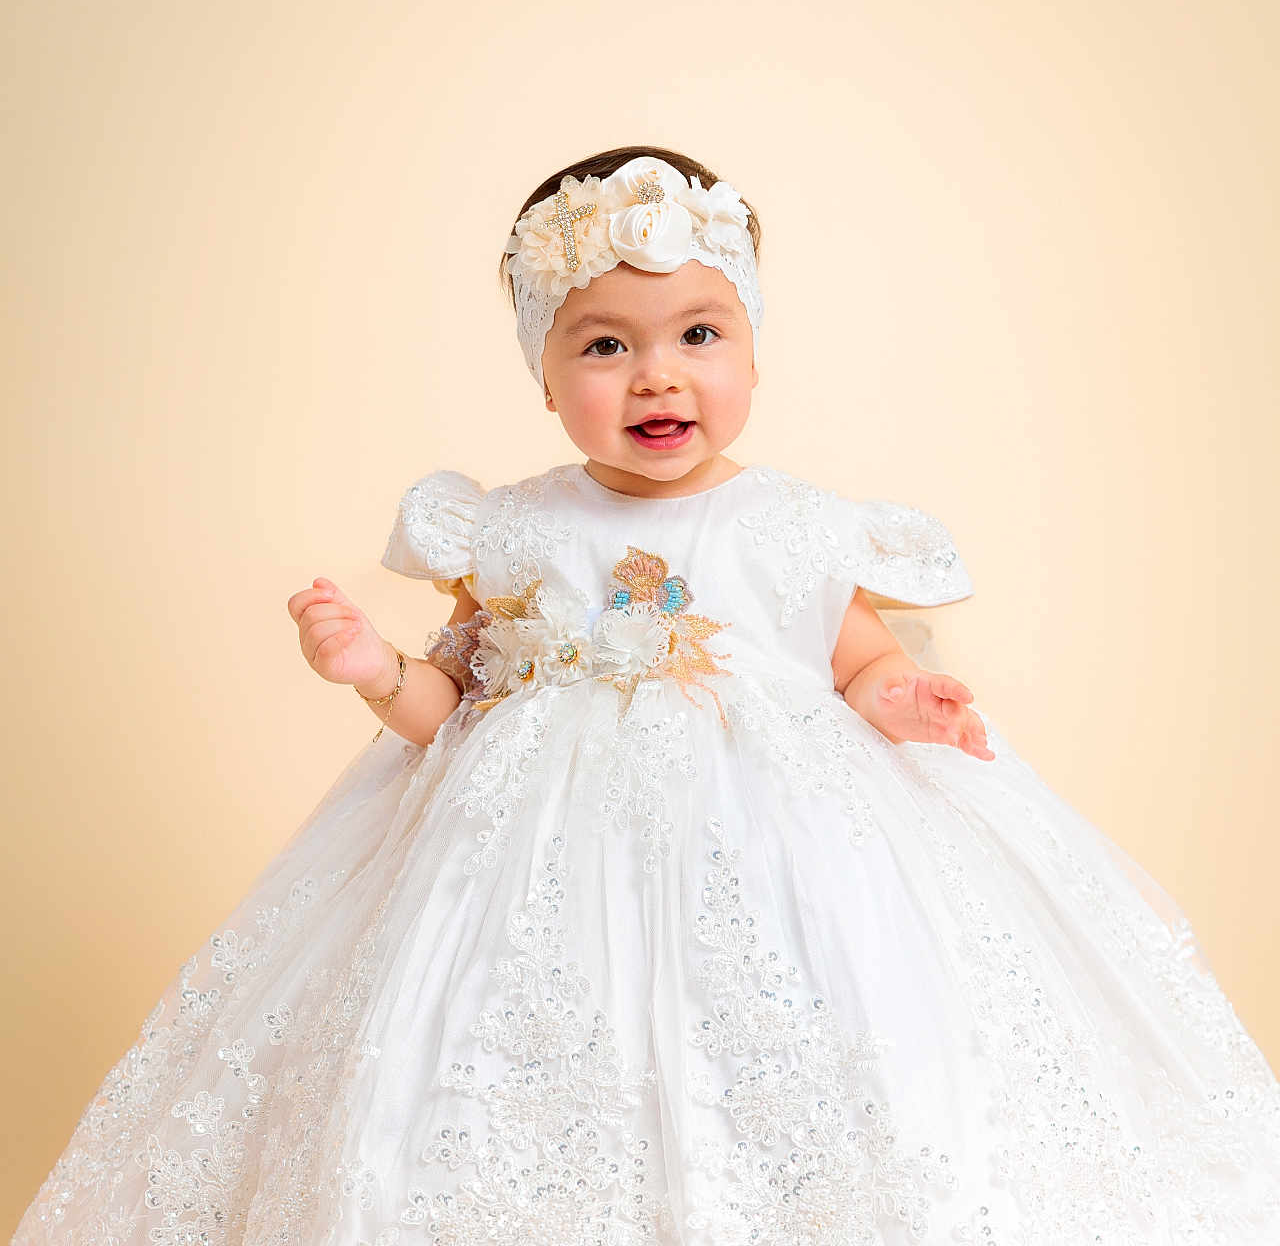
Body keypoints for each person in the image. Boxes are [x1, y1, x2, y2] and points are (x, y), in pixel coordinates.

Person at [14, 146, 1280, 1246]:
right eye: (605, 345)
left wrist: (905, 698)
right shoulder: (509, 530)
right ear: (543, 371)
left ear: (751, 348)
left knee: (813, 1041)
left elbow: (855, 658)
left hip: (770, 848)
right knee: (493, 1055)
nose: (657, 375)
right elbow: (445, 699)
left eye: (696, 334)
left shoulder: (791, 525)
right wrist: (373, 670)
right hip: (522, 866)